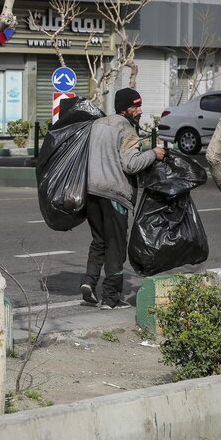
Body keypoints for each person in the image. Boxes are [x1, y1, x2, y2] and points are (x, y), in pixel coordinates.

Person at [81, 88, 165, 309]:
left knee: (99, 241)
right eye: (136, 106)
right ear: (125, 109)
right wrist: (153, 154)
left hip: (91, 192)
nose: (140, 110)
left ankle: (89, 282)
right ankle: (110, 298)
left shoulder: (97, 124)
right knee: (116, 246)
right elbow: (131, 165)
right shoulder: (126, 129)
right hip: (114, 195)